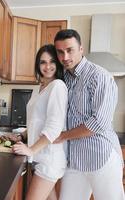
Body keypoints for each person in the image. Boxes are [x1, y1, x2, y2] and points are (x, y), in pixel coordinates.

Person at [53, 29, 125, 200]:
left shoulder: (99, 76)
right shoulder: (64, 78)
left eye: (69, 50)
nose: (65, 57)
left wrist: (63, 136)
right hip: (75, 161)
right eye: (60, 52)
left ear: (81, 49)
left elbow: (99, 123)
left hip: (101, 158)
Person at [12, 44, 68, 200]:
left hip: (49, 159)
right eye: (43, 62)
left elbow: (54, 127)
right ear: (38, 65)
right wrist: (22, 136)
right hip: (40, 156)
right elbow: (36, 121)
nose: (48, 66)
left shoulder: (57, 86)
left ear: (58, 63)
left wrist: (31, 150)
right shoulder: (41, 87)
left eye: (52, 61)